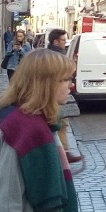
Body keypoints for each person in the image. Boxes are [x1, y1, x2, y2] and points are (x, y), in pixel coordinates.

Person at [0, 49, 82, 212]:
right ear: (46, 83)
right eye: (65, 80)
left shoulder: (43, 123)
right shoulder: (25, 129)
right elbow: (7, 193)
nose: (71, 85)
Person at [46, 28, 83, 164]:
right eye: (63, 40)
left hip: (55, 94)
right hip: (53, 96)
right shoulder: (55, 56)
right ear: (55, 41)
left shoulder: (55, 54)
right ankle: (62, 154)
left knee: (62, 123)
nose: (65, 43)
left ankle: (64, 152)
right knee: (59, 123)